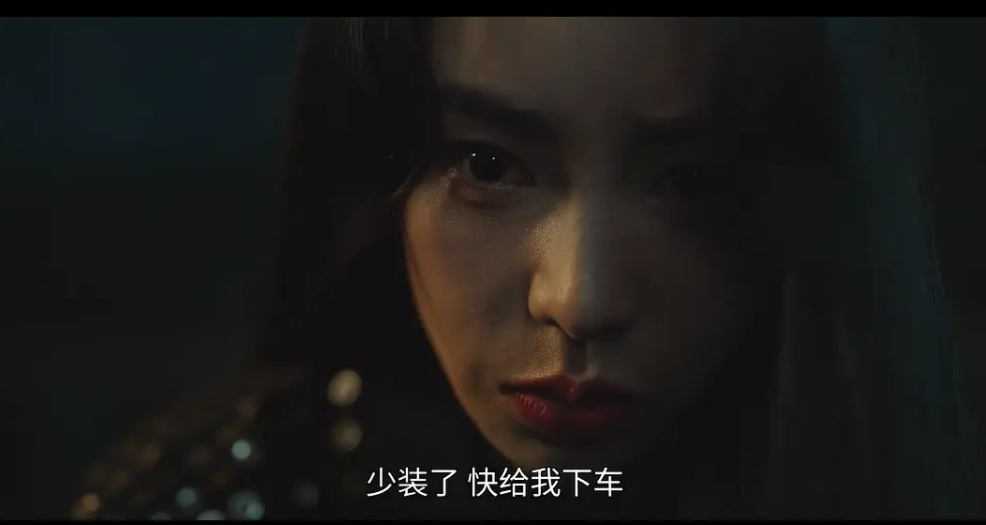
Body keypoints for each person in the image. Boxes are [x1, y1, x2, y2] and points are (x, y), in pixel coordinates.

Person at [70, 17, 983, 519]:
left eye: (692, 181)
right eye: (489, 164)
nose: (578, 300)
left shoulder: (912, 470)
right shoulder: (231, 487)